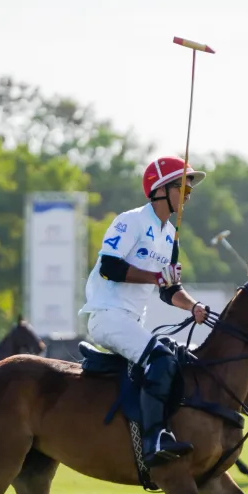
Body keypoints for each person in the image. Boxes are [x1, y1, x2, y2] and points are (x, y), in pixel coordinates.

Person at [79, 155, 209, 467]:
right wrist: (154, 276)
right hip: (108, 315)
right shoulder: (131, 220)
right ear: (162, 189)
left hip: (135, 322)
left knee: (178, 358)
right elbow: (109, 267)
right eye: (184, 189)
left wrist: (193, 306)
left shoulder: (170, 236)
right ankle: (153, 441)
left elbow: (169, 289)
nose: (189, 196)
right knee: (161, 359)